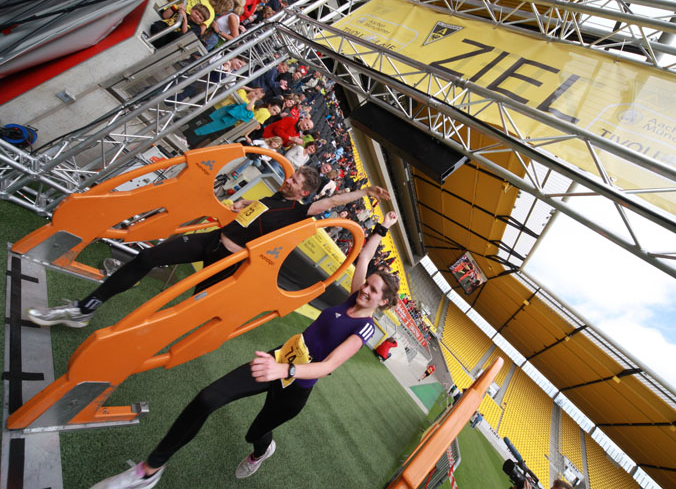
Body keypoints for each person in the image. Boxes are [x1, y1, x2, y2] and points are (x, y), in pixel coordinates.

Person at [89, 212, 401, 488]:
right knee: (208, 398)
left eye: (373, 290)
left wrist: (284, 370)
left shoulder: (365, 328)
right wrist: (383, 228)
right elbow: (364, 257)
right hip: (279, 358)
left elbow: (328, 366)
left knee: (255, 434)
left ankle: (262, 450)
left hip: (294, 385)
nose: (365, 289)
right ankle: (149, 470)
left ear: (383, 302)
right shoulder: (353, 298)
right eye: (367, 284)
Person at [27, 173, 391, 328]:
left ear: (305, 193)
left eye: (296, 180)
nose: (289, 179)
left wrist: (364, 192)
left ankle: (140, 344)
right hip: (211, 240)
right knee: (148, 257)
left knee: (189, 311)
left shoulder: (300, 210)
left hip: (227, 263)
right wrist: (243, 204)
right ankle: (85, 308)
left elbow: (333, 201)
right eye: (291, 174)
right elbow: (256, 214)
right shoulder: (272, 197)